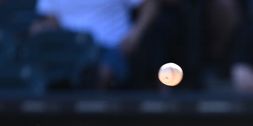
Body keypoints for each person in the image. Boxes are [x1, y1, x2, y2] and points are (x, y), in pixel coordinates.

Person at [31, 0, 160, 88]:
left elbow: (150, 4)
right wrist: (43, 28)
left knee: (100, 74)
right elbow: (51, 19)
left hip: (112, 46)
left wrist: (134, 35)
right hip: (69, 49)